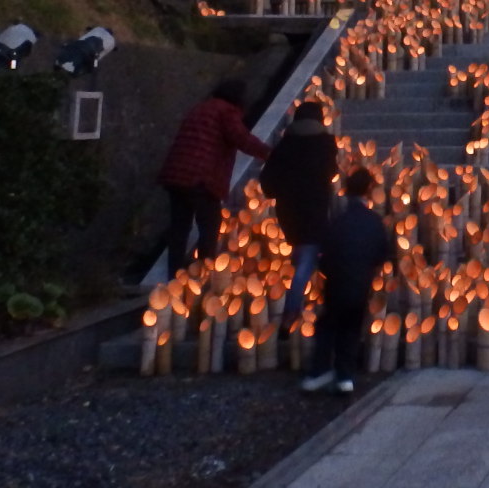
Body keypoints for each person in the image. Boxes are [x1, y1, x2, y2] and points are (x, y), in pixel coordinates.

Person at [157, 79, 270, 278]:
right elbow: (241, 138)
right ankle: (204, 272)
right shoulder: (226, 111)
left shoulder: (200, 108)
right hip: (201, 177)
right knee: (209, 225)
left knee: (179, 227)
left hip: (176, 174)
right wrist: (269, 153)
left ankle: (173, 277)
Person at [301, 167, 392, 394]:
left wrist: (330, 272)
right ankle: (345, 377)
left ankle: (319, 371)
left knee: (327, 326)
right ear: (368, 192)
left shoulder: (337, 222)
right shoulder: (374, 222)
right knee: (351, 330)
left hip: (336, 285)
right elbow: (382, 254)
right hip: (360, 285)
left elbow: (324, 257)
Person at [259, 101, 339, 332]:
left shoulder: (285, 144)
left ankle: (310, 300)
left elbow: (267, 181)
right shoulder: (325, 143)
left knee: (303, 252)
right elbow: (332, 171)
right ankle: (291, 312)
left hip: (289, 210)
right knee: (307, 258)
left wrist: (282, 190)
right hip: (315, 207)